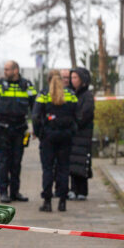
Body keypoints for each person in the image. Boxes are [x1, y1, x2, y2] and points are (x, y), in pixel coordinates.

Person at [0, 60, 36, 203]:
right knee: (3, 162)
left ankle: (15, 192)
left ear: (16, 70)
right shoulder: (0, 84)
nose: (5, 72)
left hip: (20, 130)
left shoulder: (27, 85)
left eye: (7, 69)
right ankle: (3, 193)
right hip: (3, 130)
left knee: (16, 162)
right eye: (5, 69)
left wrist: (36, 128)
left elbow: (35, 106)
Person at [33, 70, 78, 212]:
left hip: (48, 137)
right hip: (65, 136)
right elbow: (77, 114)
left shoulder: (44, 94)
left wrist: (39, 132)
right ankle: (62, 202)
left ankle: (47, 202)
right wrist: (72, 131)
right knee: (64, 169)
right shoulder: (70, 94)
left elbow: (35, 116)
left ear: (48, 80)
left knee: (48, 169)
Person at [68, 67, 94, 201]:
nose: (72, 80)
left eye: (75, 78)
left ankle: (82, 190)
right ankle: (73, 189)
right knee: (72, 162)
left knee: (82, 161)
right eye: (71, 78)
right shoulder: (72, 94)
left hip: (83, 134)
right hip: (73, 134)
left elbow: (84, 115)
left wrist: (73, 121)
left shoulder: (87, 96)